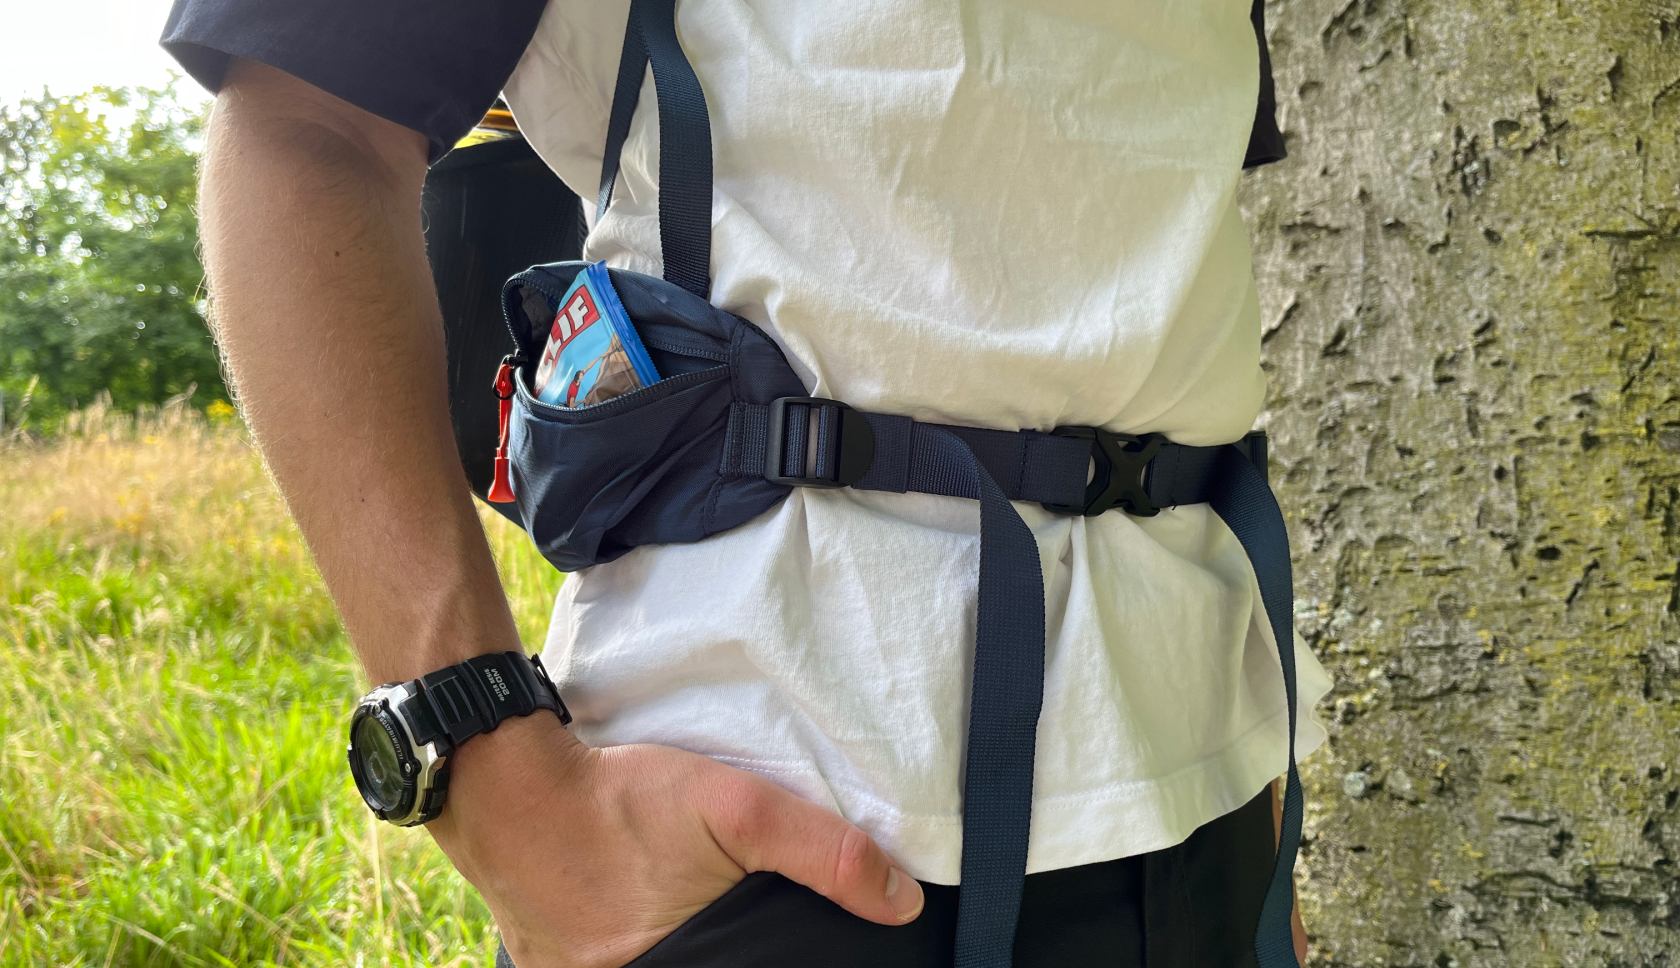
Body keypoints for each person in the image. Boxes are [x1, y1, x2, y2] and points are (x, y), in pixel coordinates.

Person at [161, 0, 1332, 965]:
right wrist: (491, 776)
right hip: (784, 801)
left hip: (1202, 788)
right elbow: (306, 124)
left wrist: (1237, 745)